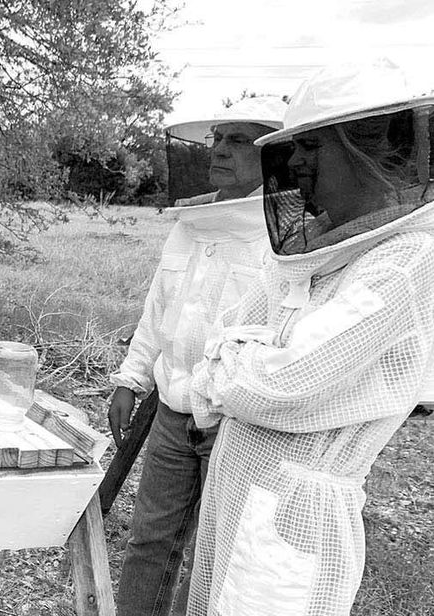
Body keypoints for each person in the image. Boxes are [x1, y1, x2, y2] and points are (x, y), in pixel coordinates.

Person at [186, 58, 434, 616]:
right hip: (238, 479)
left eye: (314, 145)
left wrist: (238, 363)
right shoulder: (309, 244)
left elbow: (279, 385)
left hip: (296, 509)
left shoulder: (406, 259)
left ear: (366, 147)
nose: (294, 160)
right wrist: (241, 360)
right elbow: (218, 347)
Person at [107, 96, 286, 616]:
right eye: (217, 138)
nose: (220, 149)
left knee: (216, 557)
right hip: (170, 412)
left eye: (238, 139)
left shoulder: (287, 230)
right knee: (148, 544)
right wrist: (130, 379)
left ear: (273, 152)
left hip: (233, 422)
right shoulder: (191, 221)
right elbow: (158, 306)